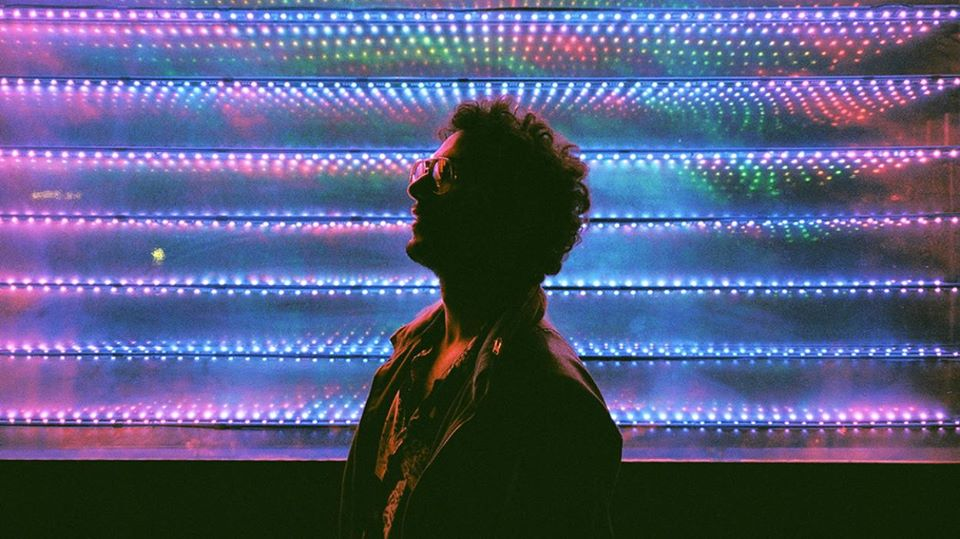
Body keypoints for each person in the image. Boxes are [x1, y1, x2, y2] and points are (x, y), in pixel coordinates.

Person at [339, 97, 622, 538]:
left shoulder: (553, 399)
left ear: (506, 209)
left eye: (444, 175)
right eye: (423, 170)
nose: (417, 190)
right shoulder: (412, 353)